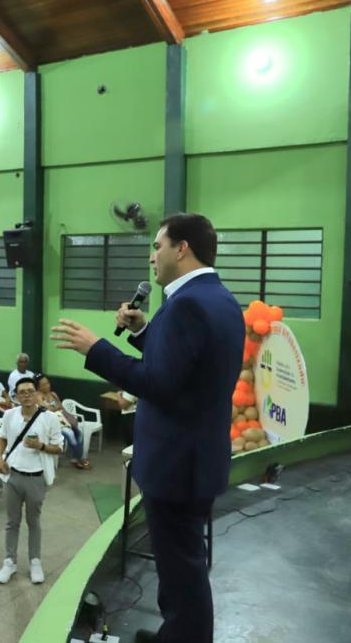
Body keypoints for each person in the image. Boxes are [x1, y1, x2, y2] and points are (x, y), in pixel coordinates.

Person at [50, 213, 244, 643]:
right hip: (196, 458)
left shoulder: (188, 303)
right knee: (182, 568)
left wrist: (97, 349)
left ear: (182, 248)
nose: (151, 256)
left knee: (183, 572)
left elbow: (158, 384)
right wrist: (144, 332)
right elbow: (184, 367)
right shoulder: (217, 299)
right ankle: (177, 633)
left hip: (176, 464)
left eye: (157, 246)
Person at [0, 377, 64, 586]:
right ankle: (9, 561)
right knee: (11, 521)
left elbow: (59, 448)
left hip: (36, 478)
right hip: (12, 476)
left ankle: (35, 562)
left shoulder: (49, 418)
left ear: (37, 394)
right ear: (15, 396)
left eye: (30, 391)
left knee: (33, 521)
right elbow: (3, 438)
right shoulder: (9, 415)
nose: (26, 395)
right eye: (22, 392)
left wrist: (40, 446)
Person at [35, 374, 90, 470]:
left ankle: (75, 458)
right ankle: (80, 459)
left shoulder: (53, 394)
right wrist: (56, 408)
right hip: (51, 423)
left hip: (63, 420)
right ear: (38, 387)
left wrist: (55, 408)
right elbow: (48, 410)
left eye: (48, 383)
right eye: (43, 384)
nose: (47, 385)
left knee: (79, 432)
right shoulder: (38, 396)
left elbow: (61, 407)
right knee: (70, 434)